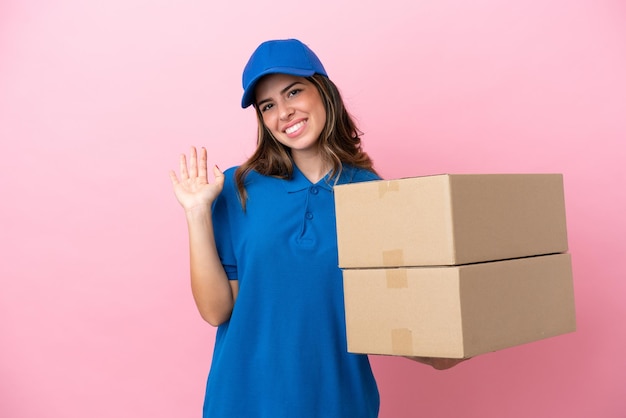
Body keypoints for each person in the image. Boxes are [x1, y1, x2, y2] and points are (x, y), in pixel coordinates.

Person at [170, 38, 463, 418]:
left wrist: (453, 342)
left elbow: (391, 315)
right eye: (268, 106)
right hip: (242, 402)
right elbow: (216, 310)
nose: (284, 113)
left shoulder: (374, 195)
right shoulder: (236, 189)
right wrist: (196, 213)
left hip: (337, 403)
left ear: (323, 91)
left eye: (294, 91)